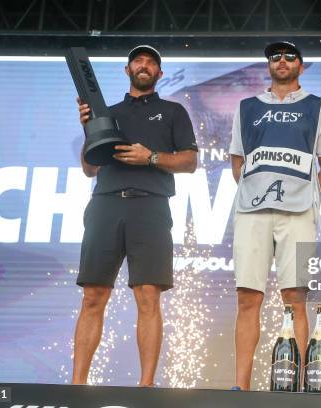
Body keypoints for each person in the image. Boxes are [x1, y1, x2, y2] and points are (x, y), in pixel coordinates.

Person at [72, 45, 198, 386]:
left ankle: (146, 386)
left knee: (147, 295)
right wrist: (89, 129)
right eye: (138, 61)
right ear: (127, 70)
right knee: (93, 295)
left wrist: (151, 158)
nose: (144, 65)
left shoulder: (173, 112)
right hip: (106, 204)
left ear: (159, 73)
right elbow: (89, 168)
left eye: (152, 62)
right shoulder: (105, 112)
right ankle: (76, 385)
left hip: (151, 207)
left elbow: (189, 162)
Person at [229, 41, 321, 390]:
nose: (282, 61)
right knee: (248, 297)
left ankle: (301, 388)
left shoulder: (319, 106)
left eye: (290, 56)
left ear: (301, 67)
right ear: (268, 66)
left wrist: (305, 198)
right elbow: (238, 163)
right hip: (252, 212)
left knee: (295, 298)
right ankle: (241, 388)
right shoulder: (246, 107)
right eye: (275, 56)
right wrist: (257, 193)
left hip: (298, 214)